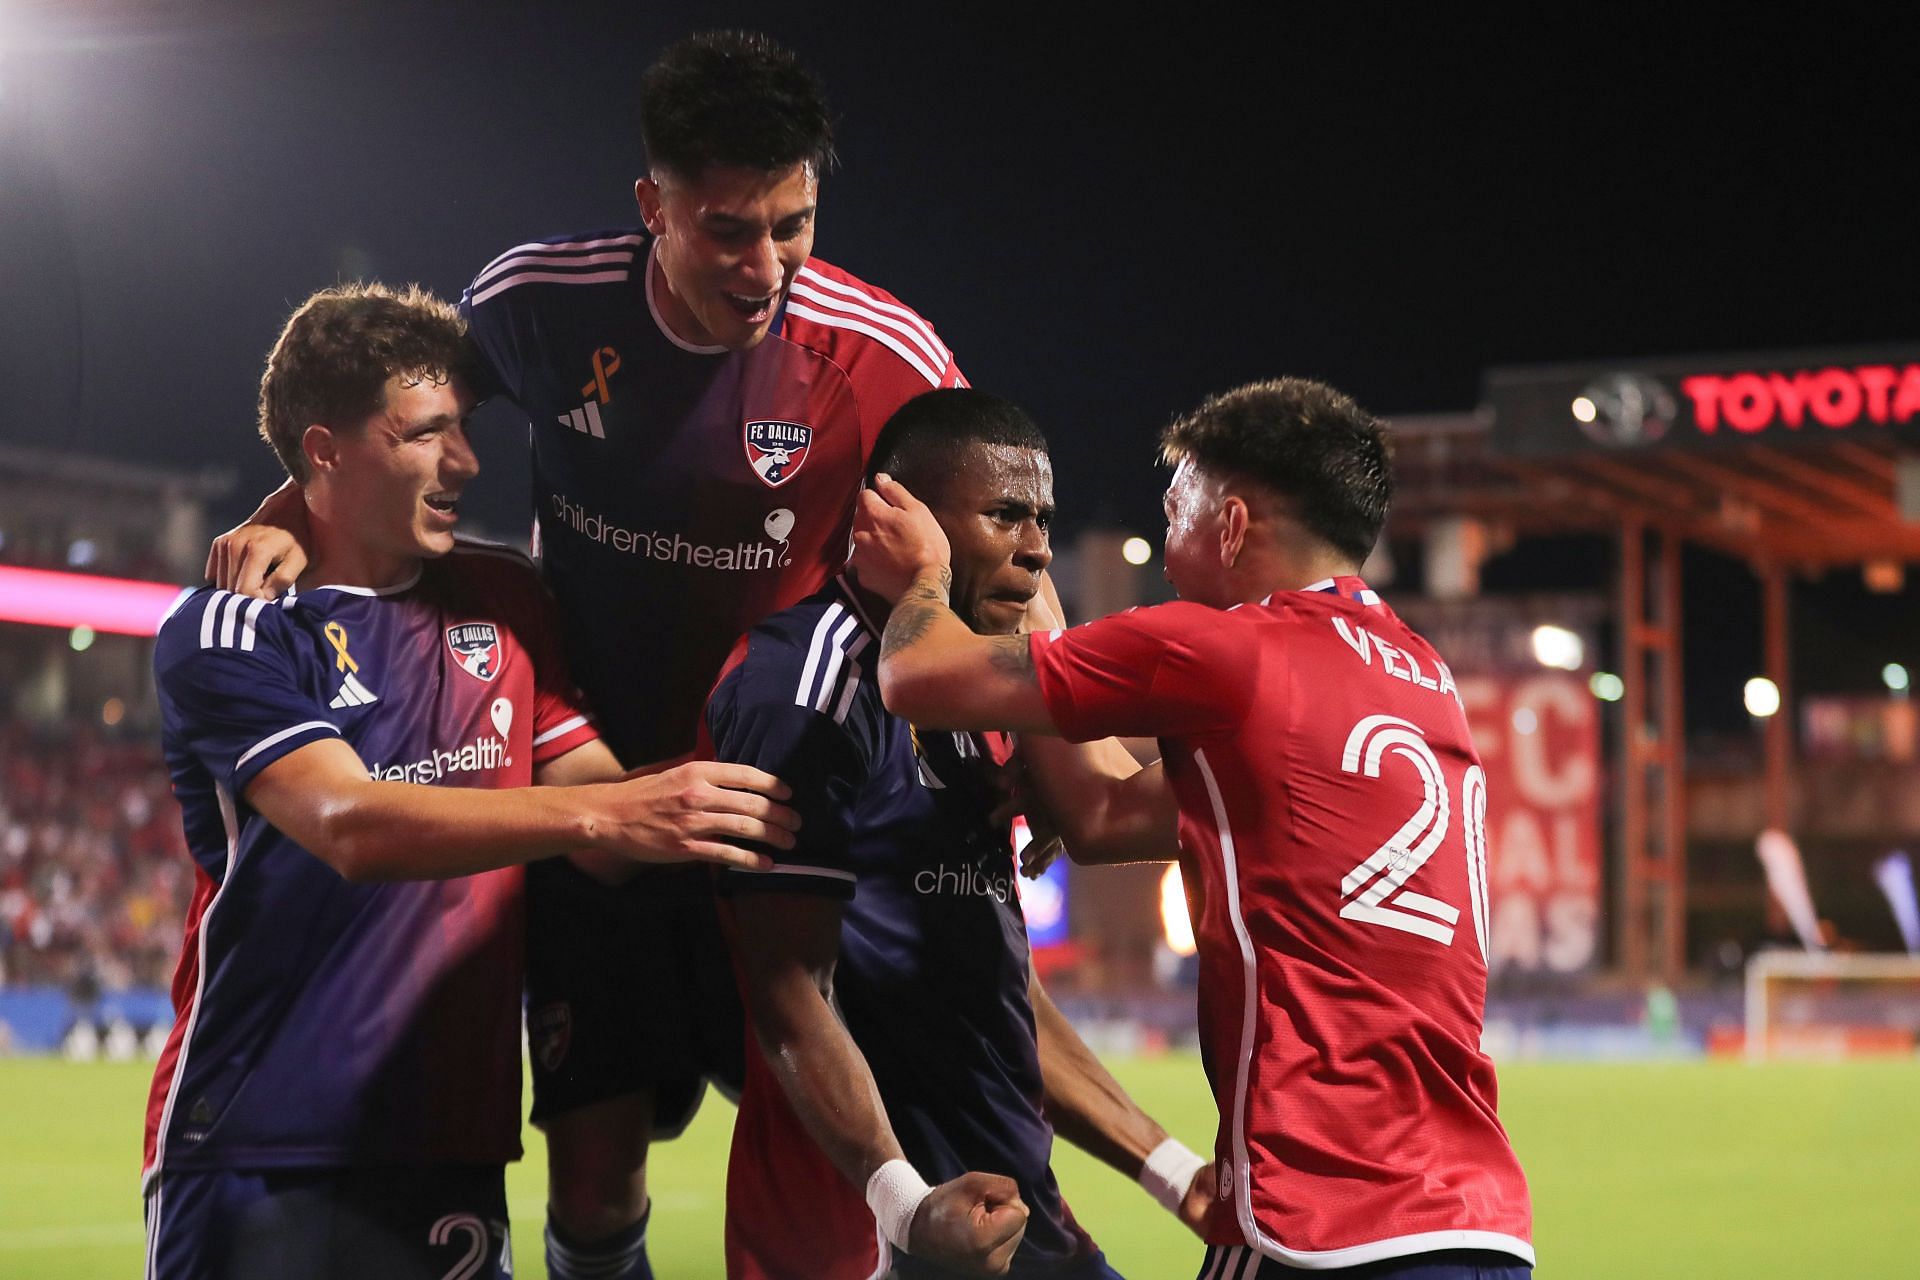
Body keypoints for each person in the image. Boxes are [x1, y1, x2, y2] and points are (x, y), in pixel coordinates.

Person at [207, 31, 970, 1280]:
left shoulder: (884, 354)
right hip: (588, 794)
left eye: (795, 223)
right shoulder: (535, 304)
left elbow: (992, 535)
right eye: (730, 228)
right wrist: (285, 514)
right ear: (651, 204)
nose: (767, 264)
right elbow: (390, 414)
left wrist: (1049, 754)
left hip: (782, 807)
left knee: (833, 1151)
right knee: (598, 1162)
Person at [144, 283, 798, 1280]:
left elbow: (616, 818)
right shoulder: (235, 622)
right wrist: (608, 809)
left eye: (469, 428)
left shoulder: (505, 600)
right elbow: (348, 821)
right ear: (325, 449)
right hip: (260, 1147)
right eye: (428, 434)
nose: (467, 462)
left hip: (450, 1146)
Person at [851, 378, 1537, 1278]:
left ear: (1233, 522)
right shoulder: (1420, 678)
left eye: (1175, 505)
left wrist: (933, 570)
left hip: (1327, 1219)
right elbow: (1099, 815)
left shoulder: (1228, 649)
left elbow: (918, 679)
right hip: (1479, 1224)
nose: (1165, 535)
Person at [711, 389, 1212, 1280]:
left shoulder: (971, 691)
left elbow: (997, 988)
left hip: (1012, 1219)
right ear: (904, 517)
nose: (1039, 547)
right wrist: (903, 1207)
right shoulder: (806, 686)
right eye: (1006, 515)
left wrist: (1174, 1175)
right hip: (874, 1233)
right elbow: (788, 987)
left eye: (1044, 518)